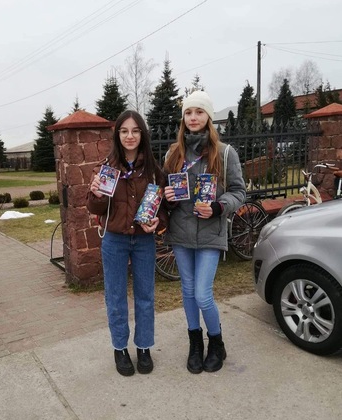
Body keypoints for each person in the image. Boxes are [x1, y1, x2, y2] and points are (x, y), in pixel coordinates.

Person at [163, 90, 246, 374]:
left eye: (199, 112)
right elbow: (165, 192)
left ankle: (217, 342)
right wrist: (167, 196)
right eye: (188, 112)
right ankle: (195, 343)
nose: (193, 117)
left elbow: (239, 192)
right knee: (187, 292)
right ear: (183, 118)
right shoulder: (173, 153)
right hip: (181, 232)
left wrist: (219, 207)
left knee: (202, 294)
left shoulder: (224, 153)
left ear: (208, 117)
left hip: (211, 232)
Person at [87, 110, 167, 377]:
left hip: (143, 240)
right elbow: (95, 208)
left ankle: (143, 347)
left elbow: (162, 207)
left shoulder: (153, 170)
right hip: (115, 240)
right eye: (124, 131)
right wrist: (96, 194)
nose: (129, 136)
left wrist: (158, 221)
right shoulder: (106, 169)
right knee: (116, 296)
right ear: (117, 135)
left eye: (135, 131)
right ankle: (120, 348)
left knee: (145, 296)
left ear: (142, 134)